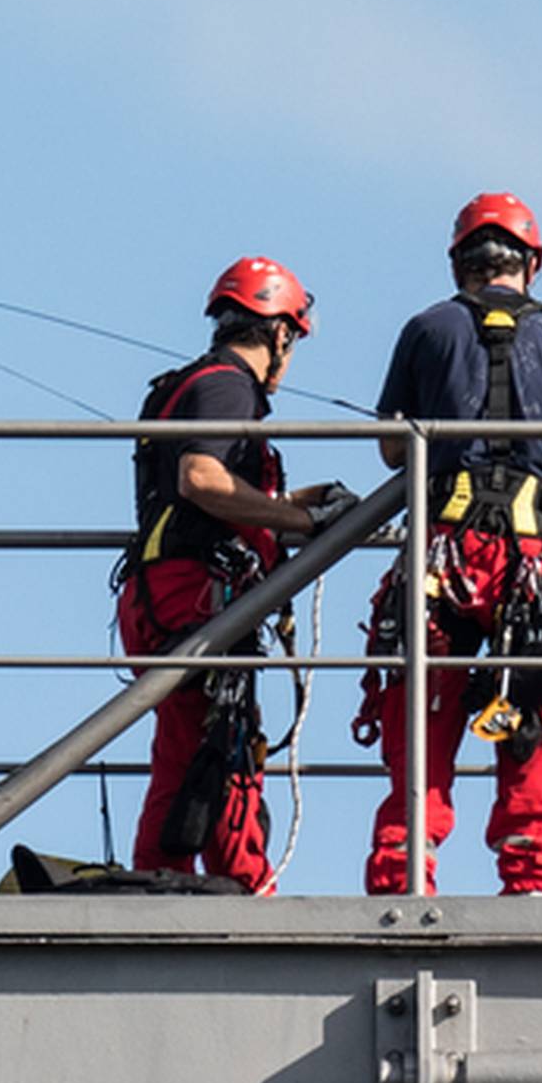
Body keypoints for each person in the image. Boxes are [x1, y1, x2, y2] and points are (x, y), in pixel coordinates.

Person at [358, 195, 542, 897]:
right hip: (537, 562)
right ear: (531, 263)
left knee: (424, 708)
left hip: (448, 554)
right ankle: (530, 885)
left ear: (458, 263)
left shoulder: (427, 329)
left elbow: (390, 449)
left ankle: (404, 876)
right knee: (535, 705)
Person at [117, 259, 346, 891]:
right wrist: (293, 520)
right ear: (280, 335)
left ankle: (190, 884)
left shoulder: (187, 385)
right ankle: (224, 888)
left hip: (165, 591)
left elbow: (211, 494)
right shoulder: (229, 388)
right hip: (194, 596)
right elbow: (202, 480)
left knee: (192, 749)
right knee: (218, 750)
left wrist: (299, 506)